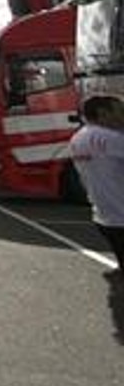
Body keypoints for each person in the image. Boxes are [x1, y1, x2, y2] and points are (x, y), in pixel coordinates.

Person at [69, 99, 124, 272]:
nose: (122, 115)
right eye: (119, 111)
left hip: (103, 215)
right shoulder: (112, 138)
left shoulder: (77, 139)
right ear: (102, 113)